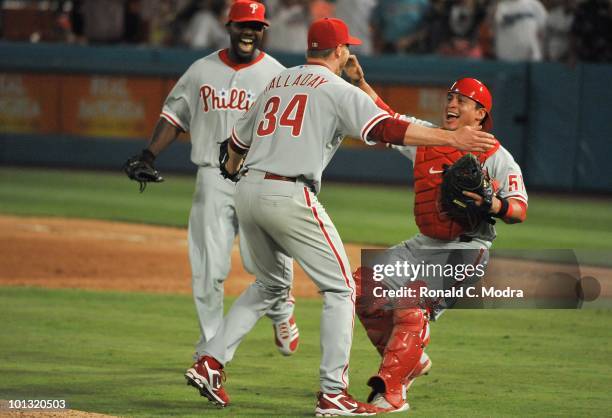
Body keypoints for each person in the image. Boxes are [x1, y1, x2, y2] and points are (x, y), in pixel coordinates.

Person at [188, 17, 497, 414]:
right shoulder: (333, 87)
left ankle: (210, 362)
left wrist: (232, 170)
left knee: (268, 284)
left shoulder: (277, 81)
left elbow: (235, 145)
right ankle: (333, 392)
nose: (349, 51)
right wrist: (452, 137)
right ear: (338, 52)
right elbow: (387, 127)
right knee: (341, 290)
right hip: (290, 193)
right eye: (346, 46)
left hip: (246, 190)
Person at [123, 0, 300, 394]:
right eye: (242, 25)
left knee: (268, 264)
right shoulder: (201, 70)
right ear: (229, 26)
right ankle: (209, 353)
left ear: (264, 29)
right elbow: (174, 116)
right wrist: (149, 153)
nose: (249, 32)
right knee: (208, 270)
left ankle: (283, 309)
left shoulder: (278, 75)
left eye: (256, 25)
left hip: (259, 180)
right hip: (211, 179)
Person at [344, 57, 528, 412]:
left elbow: (519, 209)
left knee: (412, 306)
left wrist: (492, 204)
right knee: (361, 288)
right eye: (450, 98)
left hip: (465, 248)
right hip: (423, 244)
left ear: (480, 114)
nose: (452, 104)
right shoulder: (427, 138)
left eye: (462, 101)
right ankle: (410, 360)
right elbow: (388, 118)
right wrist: (360, 84)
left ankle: (391, 392)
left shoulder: (496, 156)